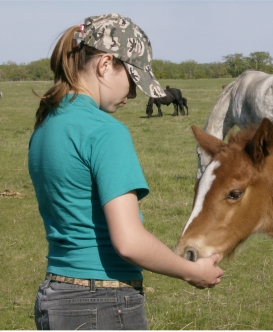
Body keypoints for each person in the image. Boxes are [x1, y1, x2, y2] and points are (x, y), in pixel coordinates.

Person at [29, 13, 223, 330]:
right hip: (101, 303)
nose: (133, 94)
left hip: (55, 298)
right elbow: (129, 242)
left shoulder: (45, 128)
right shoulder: (106, 132)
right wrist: (192, 271)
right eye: (133, 80)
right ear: (105, 64)